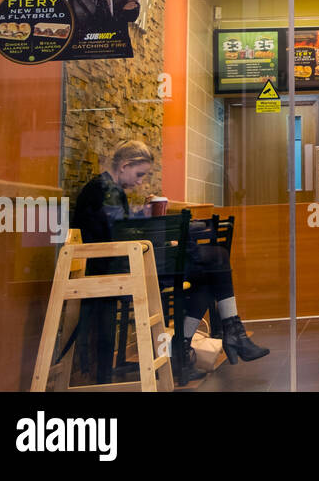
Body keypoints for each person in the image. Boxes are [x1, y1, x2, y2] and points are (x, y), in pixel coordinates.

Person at [72, 140, 269, 383]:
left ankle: (189, 346)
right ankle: (223, 333)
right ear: (124, 165)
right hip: (120, 268)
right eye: (139, 174)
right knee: (216, 258)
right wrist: (146, 218)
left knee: (210, 271)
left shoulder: (107, 189)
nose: (140, 181)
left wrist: (143, 217)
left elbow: (120, 229)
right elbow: (119, 235)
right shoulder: (106, 190)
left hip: (124, 263)